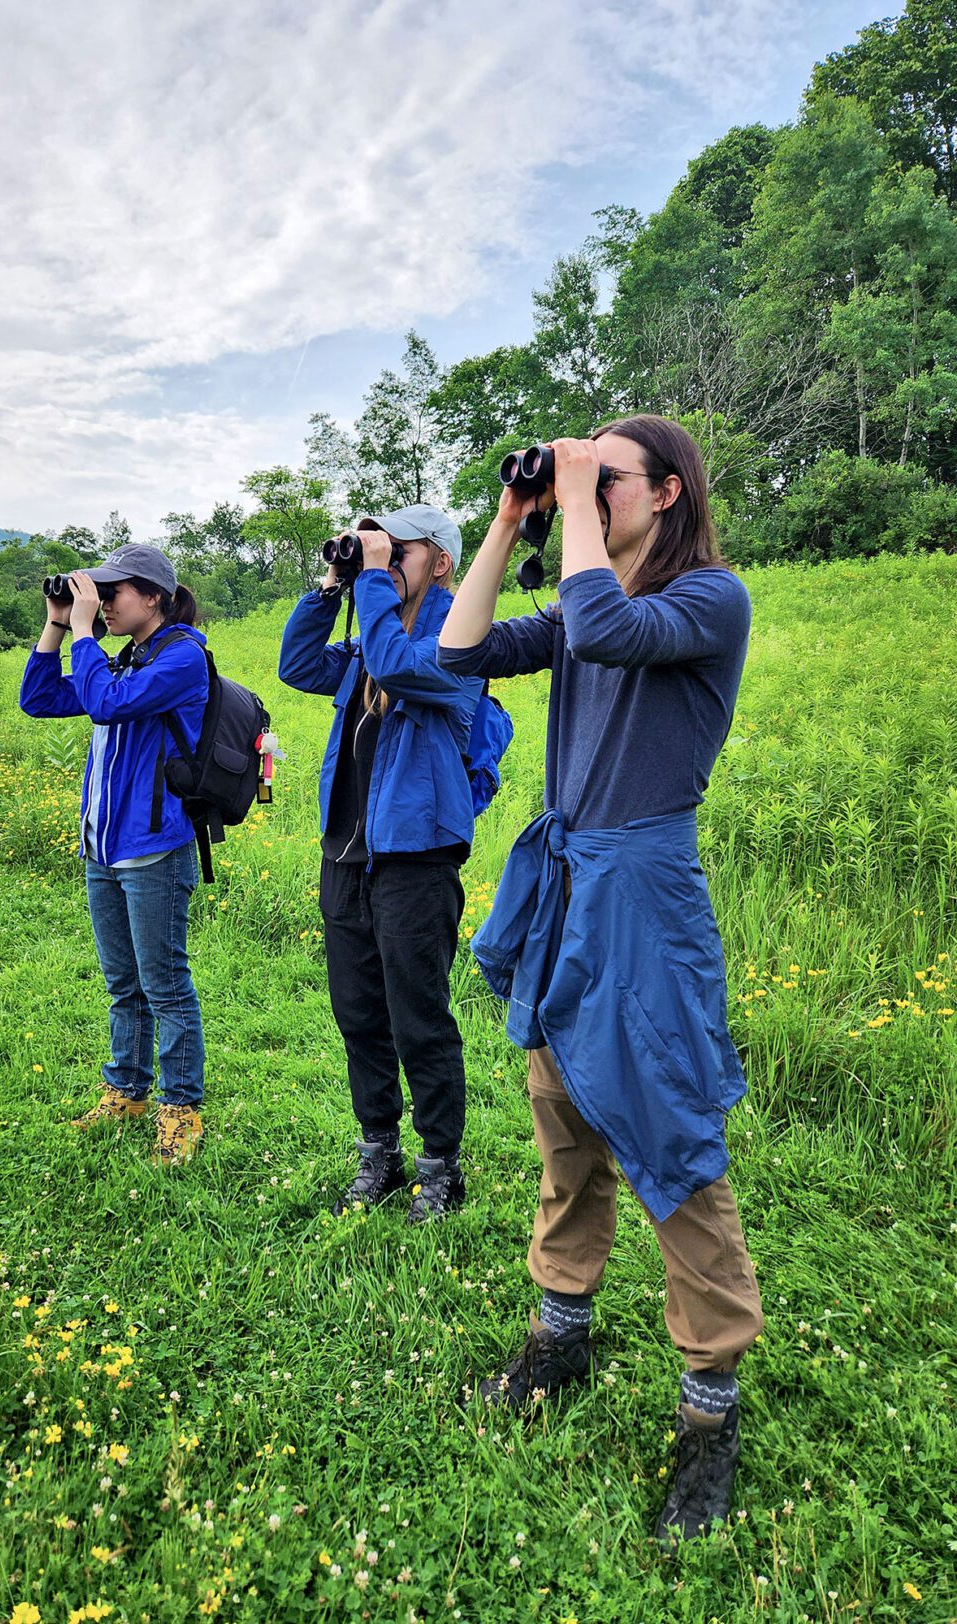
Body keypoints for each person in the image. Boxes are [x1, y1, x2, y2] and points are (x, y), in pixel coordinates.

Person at [437, 416, 763, 1543]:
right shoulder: (584, 602)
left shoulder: (705, 599)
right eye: (585, 475)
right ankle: (558, 1338)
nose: (588, 486)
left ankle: (709, 1413)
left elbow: (610, 629)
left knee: (666, 1133)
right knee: (561, 1116)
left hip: (643, 893)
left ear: (665, 492)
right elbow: (461, 649)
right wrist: (508, 517)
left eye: (607, 475)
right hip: (570, 884)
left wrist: (572, 507)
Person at [278, 505, 484, 1223]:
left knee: (416, 1016)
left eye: (401, 549)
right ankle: (379, 1154)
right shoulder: (371, 641)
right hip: (348, 852)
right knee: (359, 1014)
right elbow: (299, 663)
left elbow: (401, 662)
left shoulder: (462, 636)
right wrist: (334, 584)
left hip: (417, 855)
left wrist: (371, 579)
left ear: (443, 562)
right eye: (379, 548)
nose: (386, 558)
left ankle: (442, 1169)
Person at [18, 543, 209, 1166]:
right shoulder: (125, 660)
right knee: (122, 981)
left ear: (151, 596)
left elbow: (104, 703)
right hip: (102, 845)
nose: (100, 605)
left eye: (112, 593)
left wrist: (81, 633)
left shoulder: (182, 658)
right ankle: (127, 1090)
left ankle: (180, 1110)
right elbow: (42, 699)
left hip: (154, 848)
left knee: (165, 986)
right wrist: (55, 622)